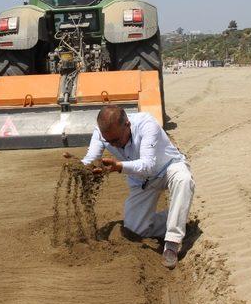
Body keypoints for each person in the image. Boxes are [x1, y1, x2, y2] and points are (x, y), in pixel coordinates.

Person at [75, 105, 195, 270]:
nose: (114, 145)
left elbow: (148, 164)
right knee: (134, 230)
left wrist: (118, 166)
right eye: (108, 141)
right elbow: (91, 158)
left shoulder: (147, 124)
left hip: (168, 168)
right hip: (142, 181)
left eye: (116, 140)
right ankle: (177, 219)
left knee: (184, 179)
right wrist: (78, 166)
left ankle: (172, 243)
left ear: (127, 125)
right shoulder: (101, 133)